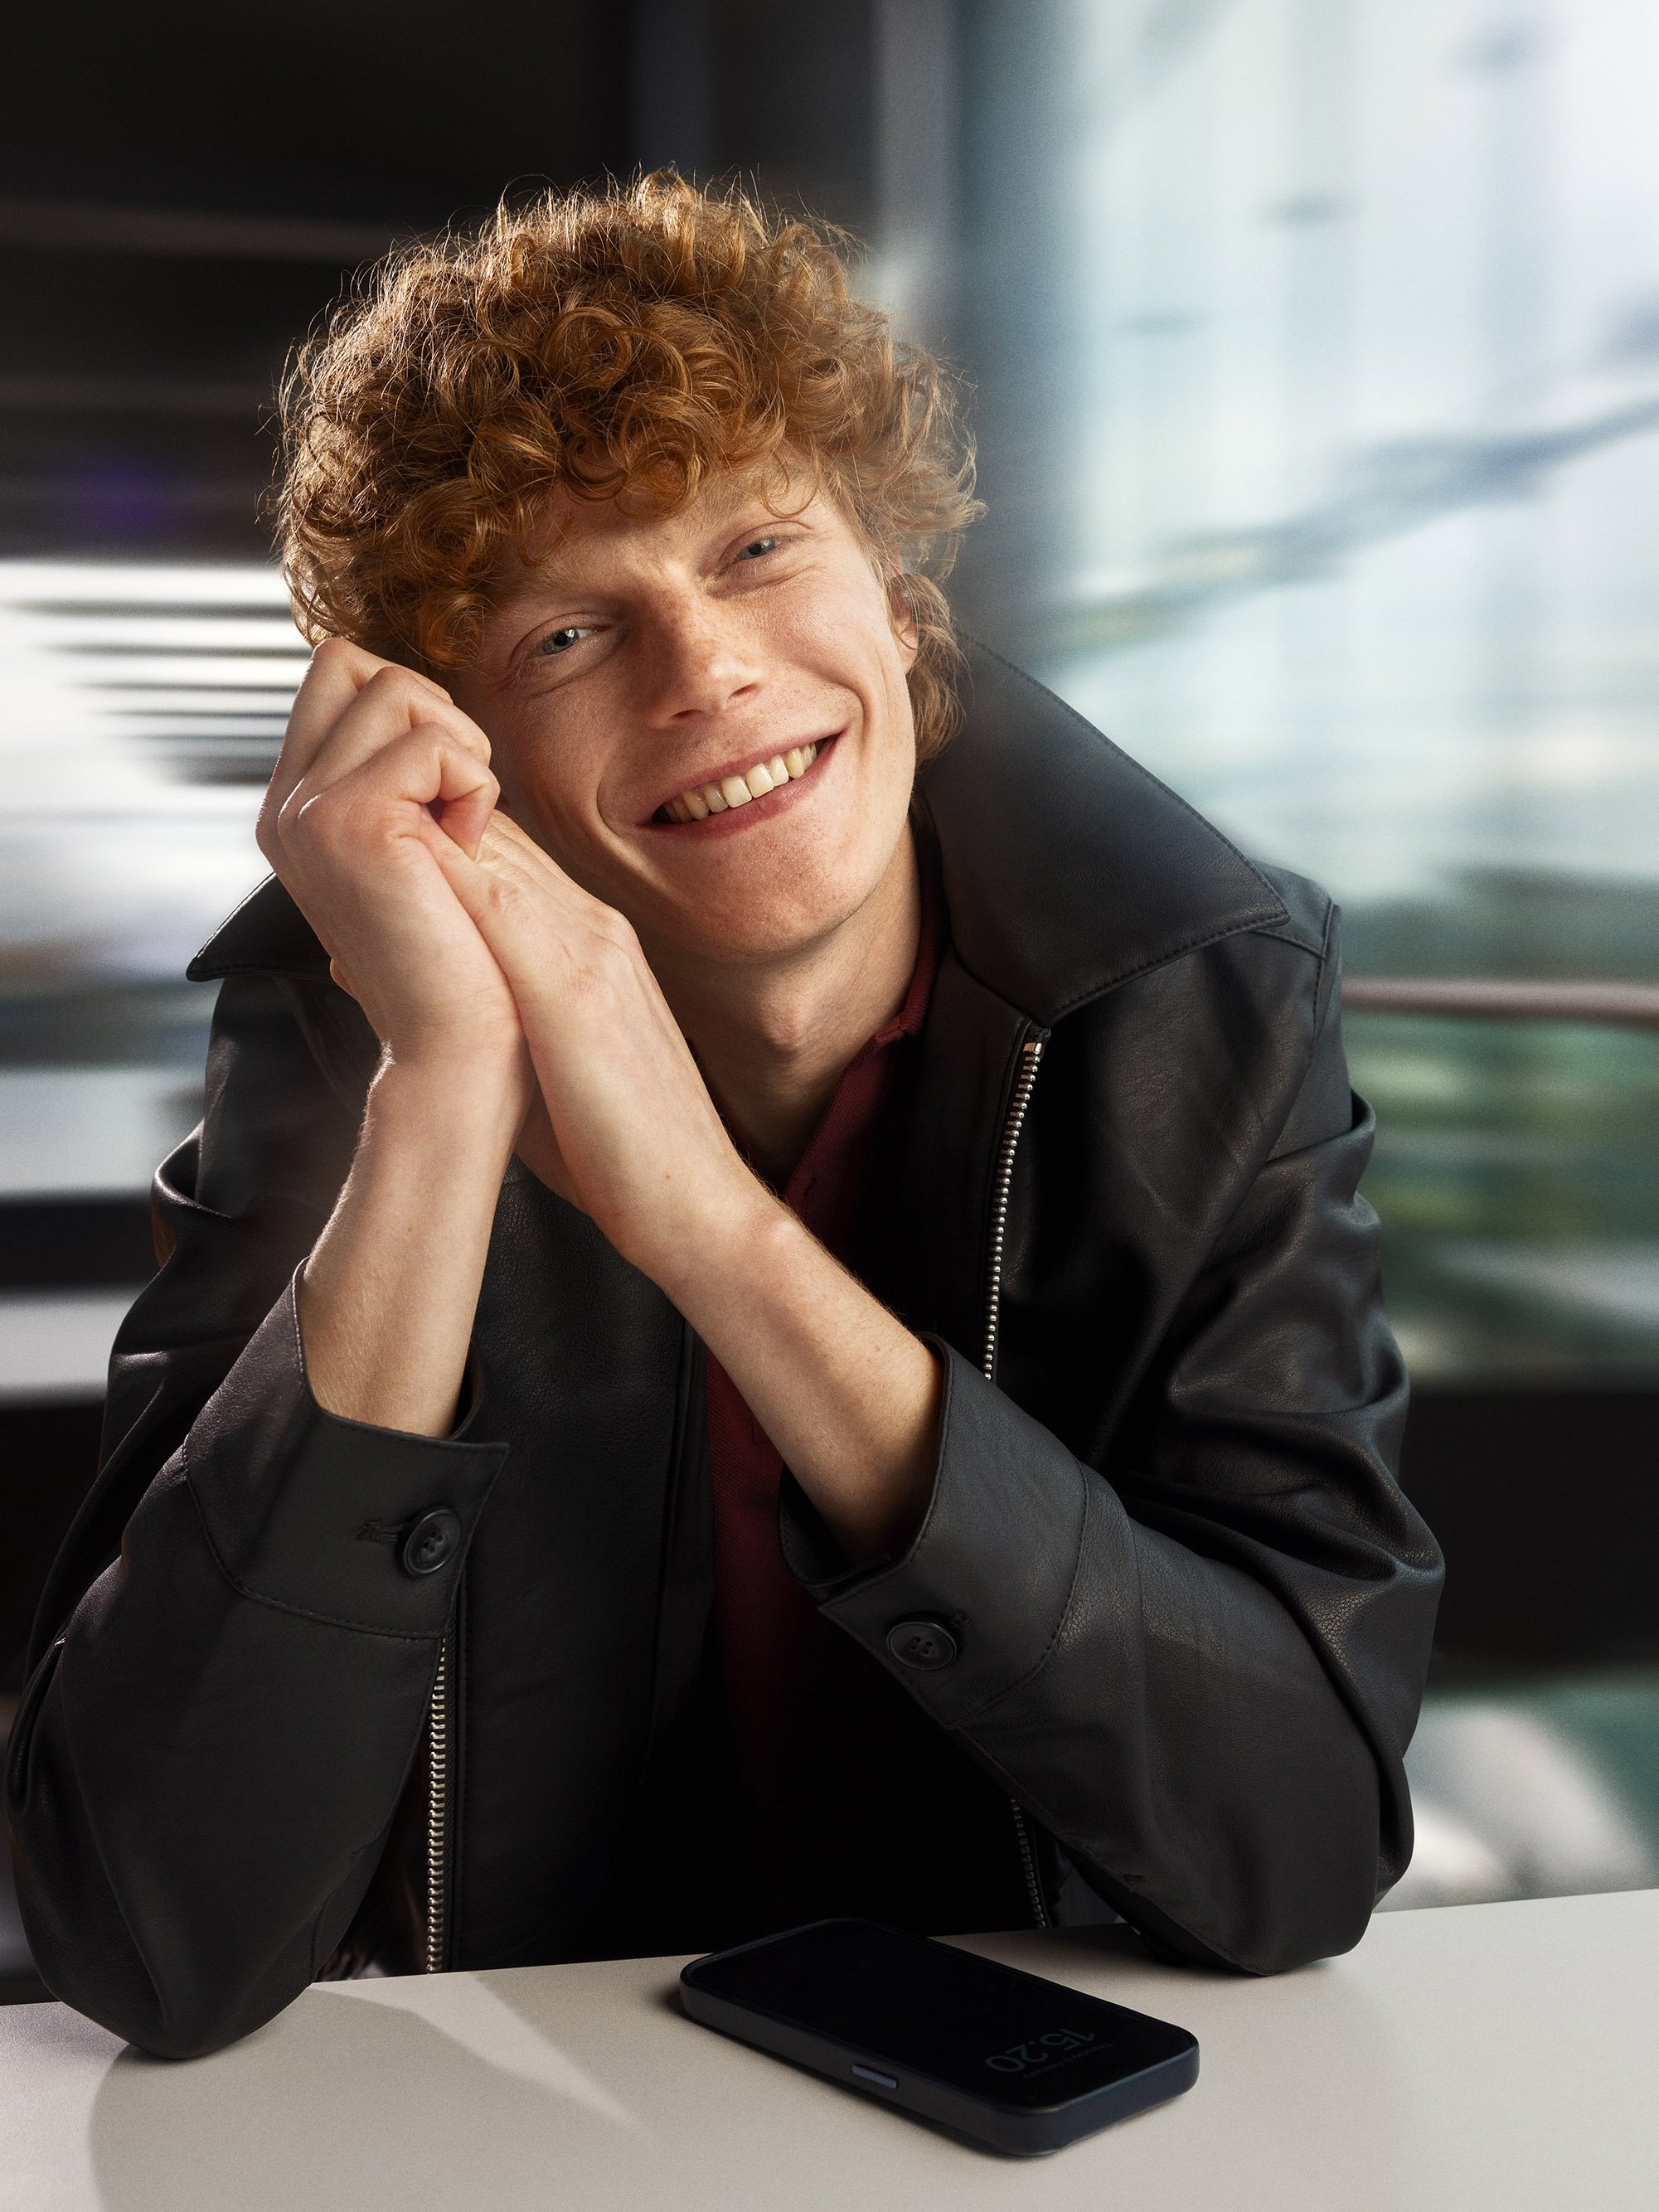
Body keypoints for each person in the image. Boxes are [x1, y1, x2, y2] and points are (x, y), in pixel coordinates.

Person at [7, 175, 1442, 2059]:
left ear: (902, 610)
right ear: (471, 772)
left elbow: (1293, 1839)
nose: (708, 673)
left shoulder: (1201, 1002)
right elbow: (153, 1933)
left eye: (757, 547)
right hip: (519, 2142)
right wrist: (439, 1093)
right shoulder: (342, 1039)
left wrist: (700, 1217)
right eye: (566, 639)